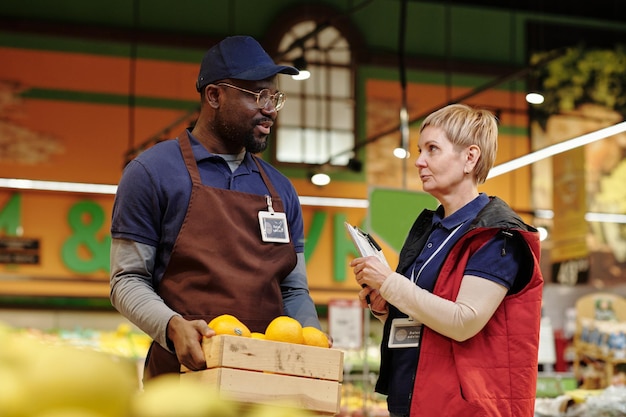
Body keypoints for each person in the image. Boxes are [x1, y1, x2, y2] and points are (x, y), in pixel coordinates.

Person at [110, 35, 322, 380]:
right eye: (258, 96)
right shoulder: (152, 172)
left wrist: (310, 341)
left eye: (274, 97)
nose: (270, 108)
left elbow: (293, 288)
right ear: (214, 95)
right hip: (182, 380)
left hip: (267, 384)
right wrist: (172, 326)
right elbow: (128, 280)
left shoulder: (281, 189)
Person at [351, 103, 544, 417]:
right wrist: (386, 308)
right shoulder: (432, 230)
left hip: (464, 408)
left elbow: (463, 322)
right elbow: (427, 323)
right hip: (413, 400)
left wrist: (389, 283)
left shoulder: (497, 236)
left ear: (470, 157)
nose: (419, 161)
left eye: (432, 149)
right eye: (419, 150)